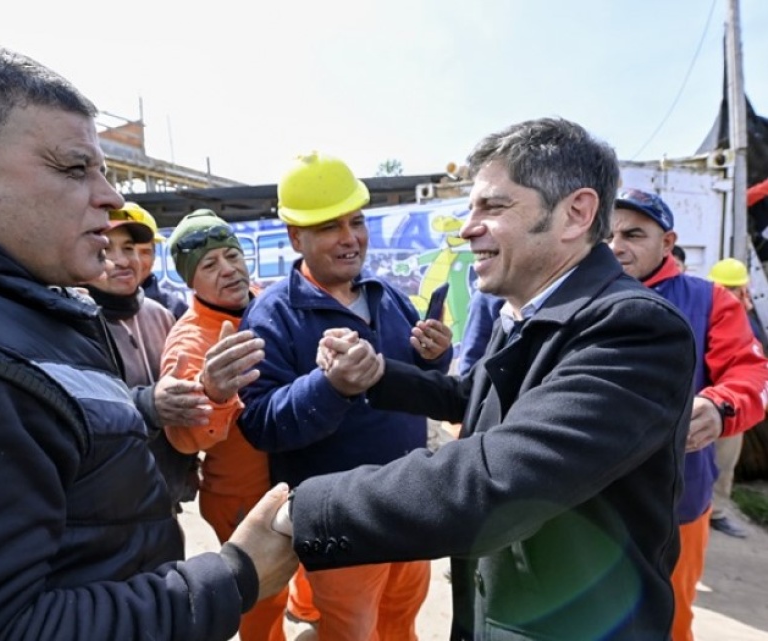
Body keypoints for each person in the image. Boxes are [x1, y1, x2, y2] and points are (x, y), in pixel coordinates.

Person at [0, 41, 296, 640]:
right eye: (74, 168)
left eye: (105, 169)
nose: (112, 197)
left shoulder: (16, 314)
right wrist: (233, 576)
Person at [271, 118, 698, 641]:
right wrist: (378, 377)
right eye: (471, 209)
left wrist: (307, 510)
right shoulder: (522, 310)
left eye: (492, 208)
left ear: (576, 214)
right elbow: (474, 397)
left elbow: (497, 479)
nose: (468, 228)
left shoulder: (634, 329)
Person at [239, 151, 453, 641]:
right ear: (296, 237)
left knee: (401, 620)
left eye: (356, 221)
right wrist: (329, 387)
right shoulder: (272, 315)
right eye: (329, 227)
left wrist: (432, 358)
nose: (350, 237)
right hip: (341, 520)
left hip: (408, 501)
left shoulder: (387, 294)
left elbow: (417, 382)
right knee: (351, 632)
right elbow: (260, 423)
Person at [608, 189, 768, 641]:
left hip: (676, 500)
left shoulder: (711, 300)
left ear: (667, 241)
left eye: (634, 234)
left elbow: (751, 372)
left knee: (669, 619)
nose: (617, 246)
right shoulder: (574, 297)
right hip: (585, 499)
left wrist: (721, 406)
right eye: (608, 234)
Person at [159, 209, 289, 641]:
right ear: (189, 281)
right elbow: (182, 439)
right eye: (210, 265)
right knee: (263, 601)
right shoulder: (191, 341)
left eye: (232, 255)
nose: (229, 269)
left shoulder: (267, 302)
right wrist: (213, 392)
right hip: (241, 496)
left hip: (288, 477)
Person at [84, 211, 199, 552]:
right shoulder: (73, 321)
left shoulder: (159, 315)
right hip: (107, 510)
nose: (122, 261)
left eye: (130, 247)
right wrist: (149, 405)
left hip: (165, 499)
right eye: (106, 250)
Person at [705, 257, 766, 539]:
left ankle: (715, 512)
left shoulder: (743, 315)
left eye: (736, 289)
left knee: (724, 463)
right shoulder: (709, 309)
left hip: (729, 405)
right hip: (705, 403)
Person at [113, 201, 191, 319]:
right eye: (128, 249)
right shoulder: (84, 311)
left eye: (144, 252)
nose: (135, 260)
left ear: (154, 256)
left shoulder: (175, 309)